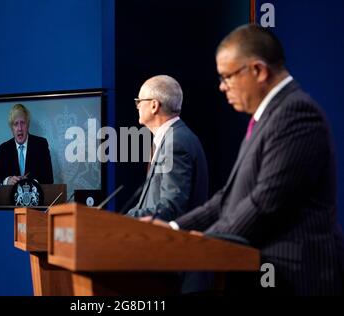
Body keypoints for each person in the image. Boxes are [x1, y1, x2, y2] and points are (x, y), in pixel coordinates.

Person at [145, 24, 344, 295]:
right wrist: (173, 228)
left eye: (227, 77)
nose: (222, 87)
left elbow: (265, 201)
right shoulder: (267, 118)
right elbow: (228, 198)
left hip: (295, 277)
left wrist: (204, 243)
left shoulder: (296, 113)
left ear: (258, 71)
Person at [127, 75, 208, 221]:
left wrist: (122, 220)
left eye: (139, 101)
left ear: (154, 105)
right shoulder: (171, 138)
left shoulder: (176, 142)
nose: (137, 106)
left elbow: (170, 206)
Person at [0, 103, 54, 185]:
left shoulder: (41, 145)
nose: (20, 128)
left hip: (36, 196)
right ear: (11, 128)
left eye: (23, 123)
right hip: (10, 197)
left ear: (28, 125)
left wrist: (31, 182)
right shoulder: (4, 149)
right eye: (16, 124)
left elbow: (49, 179)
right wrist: (7, 181)